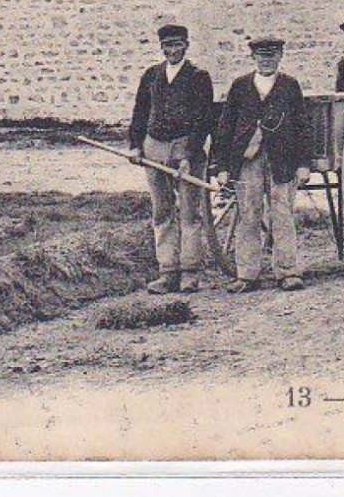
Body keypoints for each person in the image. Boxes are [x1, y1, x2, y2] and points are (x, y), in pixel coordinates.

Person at [212, 38, 312, 292]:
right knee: (248, 215)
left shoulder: (289, 86)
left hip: (282, 161)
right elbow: (225, 128)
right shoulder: (240, 86)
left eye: (272, 55)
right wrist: (222, 166)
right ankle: (247, 274)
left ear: (280, 57)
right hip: (248, 161)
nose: (266, 60)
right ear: (253, 58)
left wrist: (303, 164)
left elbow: (302, 126)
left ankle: (287, 271)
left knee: (282, 215)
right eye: (261, 56)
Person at [128, 24, 214, 294]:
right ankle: (167, 271)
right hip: (154, 145)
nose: (172, 50)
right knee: (162, 210)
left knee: (190, 212)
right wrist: (135, 145)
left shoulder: (198, 76)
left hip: (185, 147)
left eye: (177, 45)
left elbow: (204, 119)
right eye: (167, 46)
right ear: (161, 47)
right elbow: (140, 112)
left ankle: (190, 272)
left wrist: (189, 154)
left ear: (186, 45)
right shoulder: (151, 75)